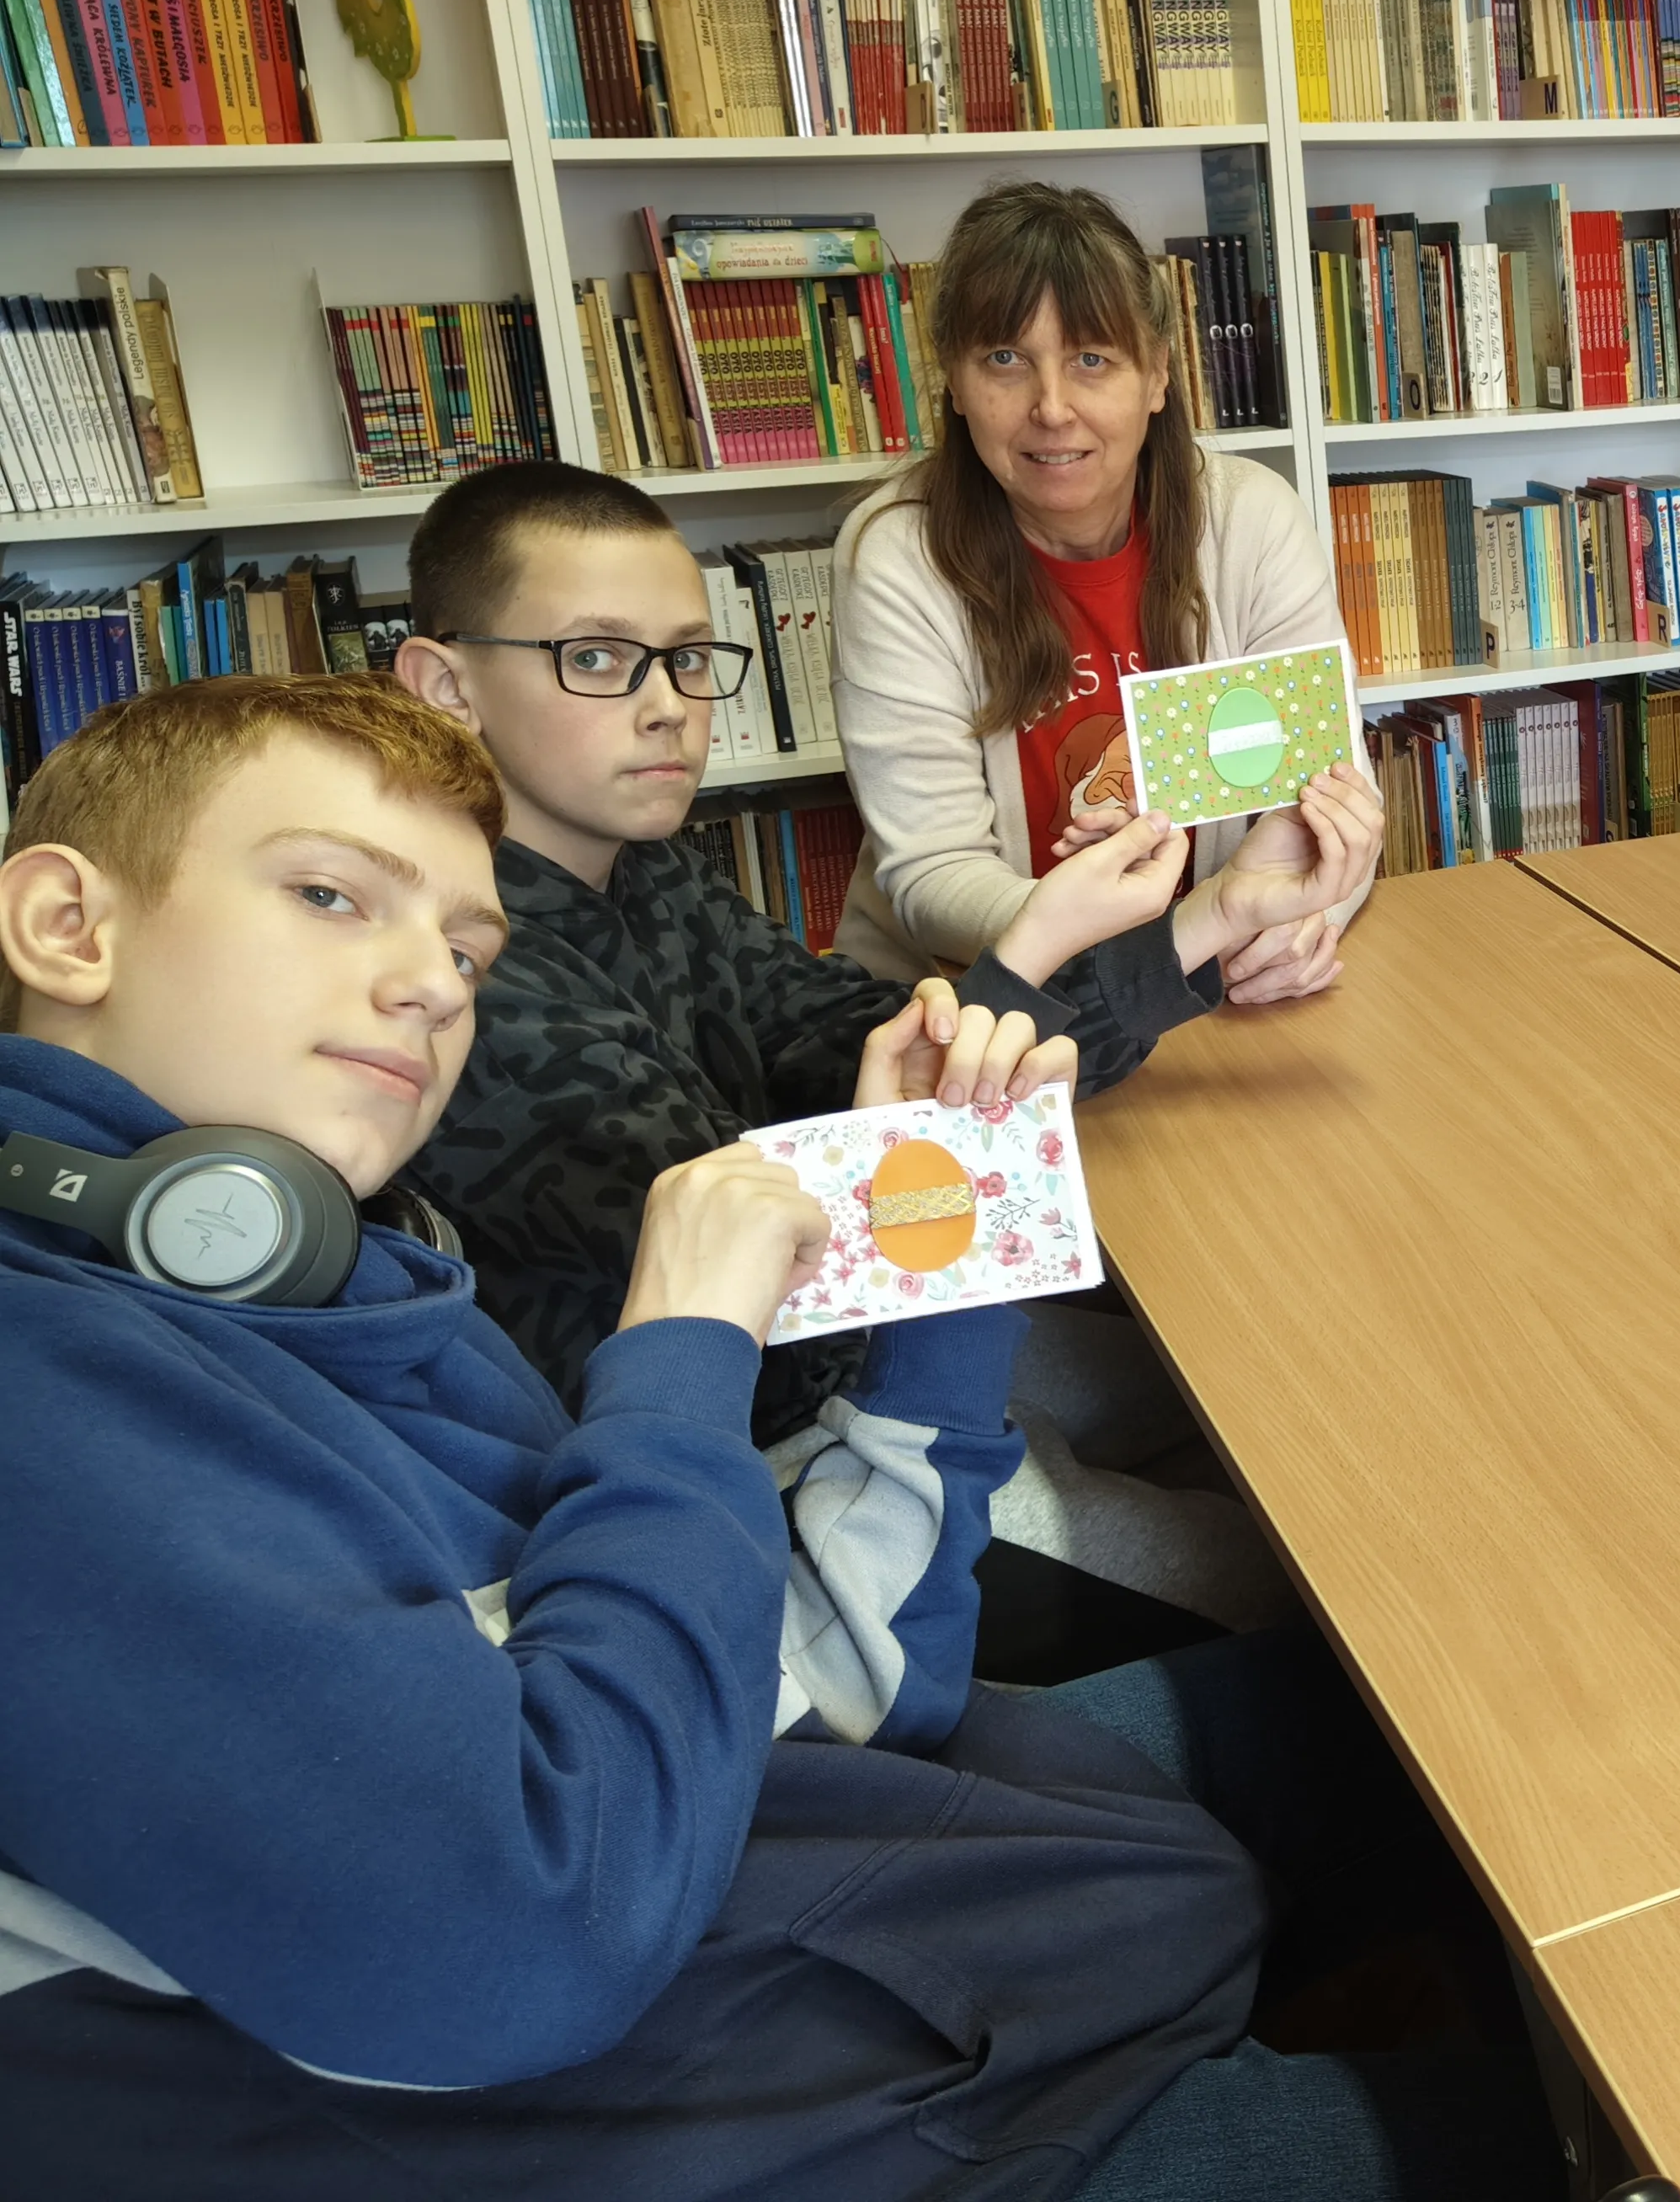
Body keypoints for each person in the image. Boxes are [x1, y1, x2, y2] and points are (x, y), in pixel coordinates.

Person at [0, 670, 1555, 2199]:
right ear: (68, 925)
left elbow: (798, 1665)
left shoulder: (354, 1282)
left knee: (1432, 1727)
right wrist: (674, 1355)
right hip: (694, 2095)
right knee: (1613, 2113)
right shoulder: (53, 1399)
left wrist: (930, 1219)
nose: (432, 982)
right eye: (335, 897)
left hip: (772, 1918)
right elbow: (522, 1930)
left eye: (469, 946)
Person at [392, 458, 1380, 1628]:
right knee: (1315, 1581)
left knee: (1245, 1388)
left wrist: (1215, 917)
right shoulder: (457, 974)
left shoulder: (649, 873)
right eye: (597, 659)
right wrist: (1035, 944)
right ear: (445, 686)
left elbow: (853, 1046)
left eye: (691, 659)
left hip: (866, 1353)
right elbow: (784, 1264)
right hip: (783, 1476)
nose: (668, 705)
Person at [835, 179, 1370, 1003]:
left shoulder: (1253, 519)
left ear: (1157, 375)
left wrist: (1307, 919)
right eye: (1006, 360)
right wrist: (1172, 938)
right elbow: (935, 878)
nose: (1052, 408)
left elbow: (1333, 798)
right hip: (968, 1008)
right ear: (953, 380)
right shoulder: (896, 555)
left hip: (1221, 998)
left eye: (1092, 359)